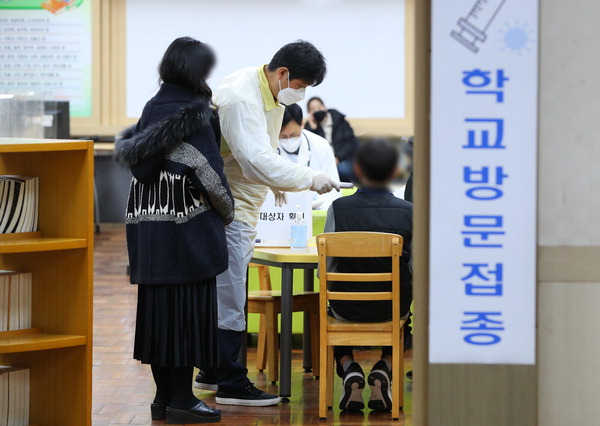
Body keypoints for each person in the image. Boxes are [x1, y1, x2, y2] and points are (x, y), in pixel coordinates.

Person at [194, 40, 338, 406]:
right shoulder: (243, 96)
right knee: (231, 294)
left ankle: (212, 371)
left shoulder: (268, 92)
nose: (300, 94)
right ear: (283, 73)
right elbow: (253, 159)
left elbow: (261, 149)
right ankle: (230, 382)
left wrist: (276, 182)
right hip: (228, 208)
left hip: (240, 201)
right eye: (300, 86)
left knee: (226, 290)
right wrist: (308, 178)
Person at [115, 37, 233, 424]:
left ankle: (162, 397)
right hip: (188, 233)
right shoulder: (196, 114)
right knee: (187, 316)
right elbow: (210, 177)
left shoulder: (152, 107)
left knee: (157, 316)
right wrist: (227, 212)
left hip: (149, 232)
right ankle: (183, 398)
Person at [323, 139, 413, 412]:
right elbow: (415, 270)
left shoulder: (337, 209)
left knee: (328, 316)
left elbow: (326, 270)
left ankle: (349, 366)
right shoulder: (409, 212)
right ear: (395, 173)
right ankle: (384, 367)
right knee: (405, 323)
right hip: (391, 308)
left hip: (346, 308)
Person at [278, 103, 341, 210]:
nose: (289, 140)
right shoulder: (268, 147)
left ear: (302, 124)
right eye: (283, 136)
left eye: (294, 135)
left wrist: (312, 206)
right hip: (279, 208)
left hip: (317, 208)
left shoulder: (320, 144)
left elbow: (333, 191)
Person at [305, 96, 359, 182]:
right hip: (321, 164)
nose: (317, 110)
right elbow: (309, 148)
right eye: (313, 109)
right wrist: (313, 129)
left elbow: (351, 142)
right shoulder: (309, 128)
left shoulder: (340, 121)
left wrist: (338, 158)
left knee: (343, 170)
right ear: (309, 113)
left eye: (319, 107)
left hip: (342, 159)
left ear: (325, 107)